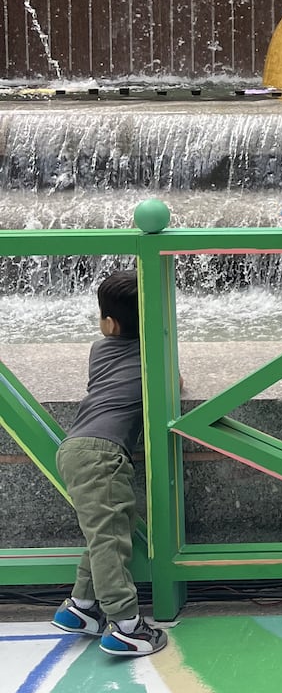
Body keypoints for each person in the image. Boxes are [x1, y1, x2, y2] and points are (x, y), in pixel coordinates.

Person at [50, 270, 167, 658]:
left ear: (110, 324)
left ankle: (80, 608)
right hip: (104, 454)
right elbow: (175, 383)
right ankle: (127, 625)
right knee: (110, 541)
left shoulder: (99, 350)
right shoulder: (152, 356)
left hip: (77, 447)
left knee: (107, 531)